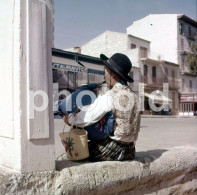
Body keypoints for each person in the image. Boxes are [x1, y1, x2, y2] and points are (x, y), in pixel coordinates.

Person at [63, 53, 141, 161]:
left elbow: (87, 117)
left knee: (75, 152)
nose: (104, 76)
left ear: (113, 74)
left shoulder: (111, 96)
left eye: (105, 72)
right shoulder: (134, 96)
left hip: (114, 150)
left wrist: (69, 118)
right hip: (130, 150)